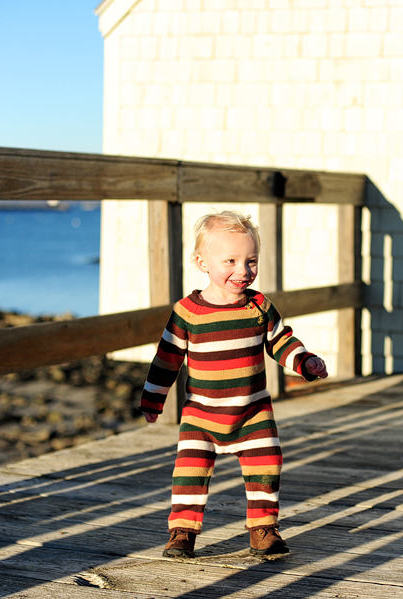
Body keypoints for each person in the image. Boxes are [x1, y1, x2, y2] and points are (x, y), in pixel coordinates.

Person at [139, 210, 328, 559]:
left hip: (253, 411)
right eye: (230, 261)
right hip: (201, 414)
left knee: (267, 465)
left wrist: (304, 362)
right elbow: (166, 359)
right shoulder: (188, 312)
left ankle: (263, 529)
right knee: (189, 473)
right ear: (202, 263)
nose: (243, 270)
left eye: (250, 260)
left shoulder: (259, 306)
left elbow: (281, 341)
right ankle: (182, 531)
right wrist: (153, 400)